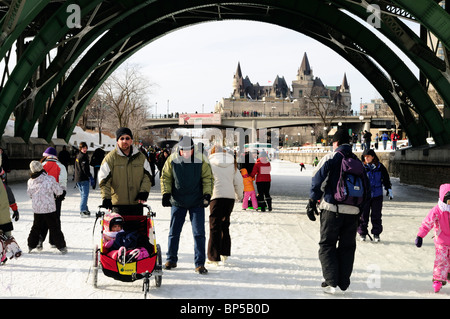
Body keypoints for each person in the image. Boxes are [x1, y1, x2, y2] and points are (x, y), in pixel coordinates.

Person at [306, 129, 370, 294]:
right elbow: (366, 189)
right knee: (347, 247)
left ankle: (331, 282)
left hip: (332, 209)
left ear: (336, 143)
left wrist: (313, 201)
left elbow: (317, 179)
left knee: (327, 244)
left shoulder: (331, 157)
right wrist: (361, 212)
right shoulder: (357, 162)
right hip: (353, 212)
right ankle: (343, 282)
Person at [160, 136, 214, 274]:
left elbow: (207, 178)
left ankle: (199, 263)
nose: (186, 153)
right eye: (184, 150)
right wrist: (166, 194)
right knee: (174, 233)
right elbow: (166, 177)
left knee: (199, 233)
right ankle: (171, 259)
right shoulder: (172, 159)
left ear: (193, 148)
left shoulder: (201, 159)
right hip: (178, 201)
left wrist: (207, 195)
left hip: (197, 201)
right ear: (180, 150)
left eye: (189, 150)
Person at [98, 127, 152, 215]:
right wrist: (106, 197)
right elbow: (104, 179)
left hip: (136, 204)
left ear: (131, 140)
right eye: (121, 138)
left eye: (127, 138)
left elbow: (148, 176)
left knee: (136, 229)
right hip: (118, 205)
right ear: (117, 141)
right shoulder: (110, 158)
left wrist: (144, 191)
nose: (124, 141)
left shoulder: (141, 157)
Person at [207, 145, 243, 265]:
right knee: (225, 224)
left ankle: (213, 257)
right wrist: (239, 195)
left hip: (216, 196)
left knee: (214, 226)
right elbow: (238, 181)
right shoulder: (232, 163)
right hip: (229, 198)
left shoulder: (209, 163)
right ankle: (224, 253)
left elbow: (206, 180)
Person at [415, 183, 450, 293]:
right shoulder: (437, 210)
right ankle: (438, 280)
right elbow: (427, 223)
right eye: (449, 200)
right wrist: (420, 235)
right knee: (441, 261)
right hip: (441, 242)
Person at [27, 161, 67, 254]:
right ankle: (61, 246)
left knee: (36, 227)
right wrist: (62, 190)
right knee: (54, 227)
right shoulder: (49, 179)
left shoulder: (30, 181)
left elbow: (29, 194)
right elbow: (58, 191)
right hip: (49, 208)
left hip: (37, 209)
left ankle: (31, 245)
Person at [358, 149, 392, 242]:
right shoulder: (361, 168)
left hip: (377, 195)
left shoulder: (380, 167)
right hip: (365, 195)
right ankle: (362, 233)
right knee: (363, 215)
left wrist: (388, 188)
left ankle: (376, 233)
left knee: (376, 215)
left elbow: (386, 179)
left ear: (373, 156)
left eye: (368, 156)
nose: (366, 158)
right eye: (365, 157)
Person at [39, 147, 67, 249]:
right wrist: (62, 192)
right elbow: (62, 181)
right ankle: (54, 241)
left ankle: (39, 240)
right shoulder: (61, 166)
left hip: (43, 196)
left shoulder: (41, 166)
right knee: (55, 219)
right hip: (56, 196)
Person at [74, 142, 92, 217]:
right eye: (83, 148)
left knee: (83, 195)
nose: (84, 149)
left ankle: (85, 208)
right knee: (85, 195)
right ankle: (82, 210)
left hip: (78, 178)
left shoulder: (78, 156)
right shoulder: (83, 157)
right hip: (83, 178)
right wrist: (90, 176)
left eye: (85, 148)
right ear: (80, 149)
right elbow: (85, 169)